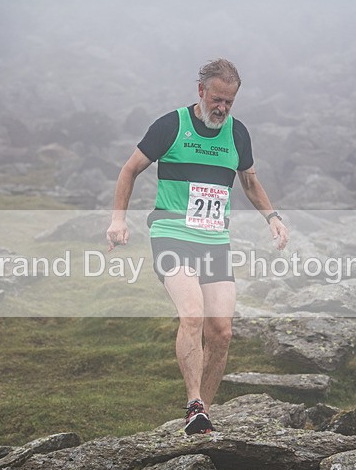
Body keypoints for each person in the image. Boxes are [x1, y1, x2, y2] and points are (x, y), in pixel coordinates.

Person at [106, 59, 289, 435]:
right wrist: (118, 219)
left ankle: (202, 413)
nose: (221, 108)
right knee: (192, 314)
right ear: (201, 92)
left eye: (229, 102)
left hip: (214, 241)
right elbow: (129, 170)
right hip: (172, 235)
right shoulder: (171, 125)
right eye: (217, 99)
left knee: (221, 330)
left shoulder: (237, 134)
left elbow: (250, 183)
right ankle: (192, 403)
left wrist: (273, 217)